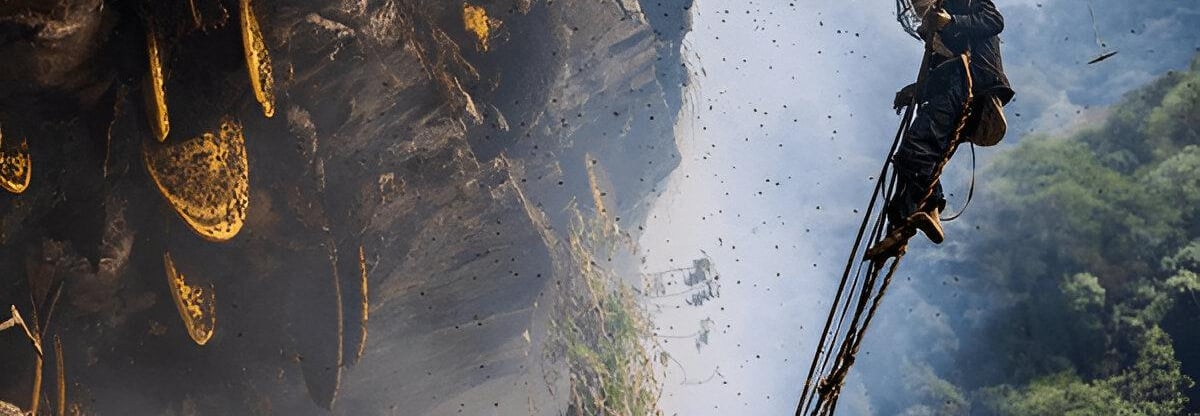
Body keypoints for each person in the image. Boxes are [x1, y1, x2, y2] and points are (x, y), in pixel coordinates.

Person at [867, 0, 1015, 261]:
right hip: (953, 85)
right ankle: (901, 226)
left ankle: (930, 205)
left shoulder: (963, 2)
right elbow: (939, 72)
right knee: (908, 158)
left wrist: (952, 22)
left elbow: (994, 21)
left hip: (971, 83)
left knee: (918, 147)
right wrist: (917, 90)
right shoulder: (933, 35)